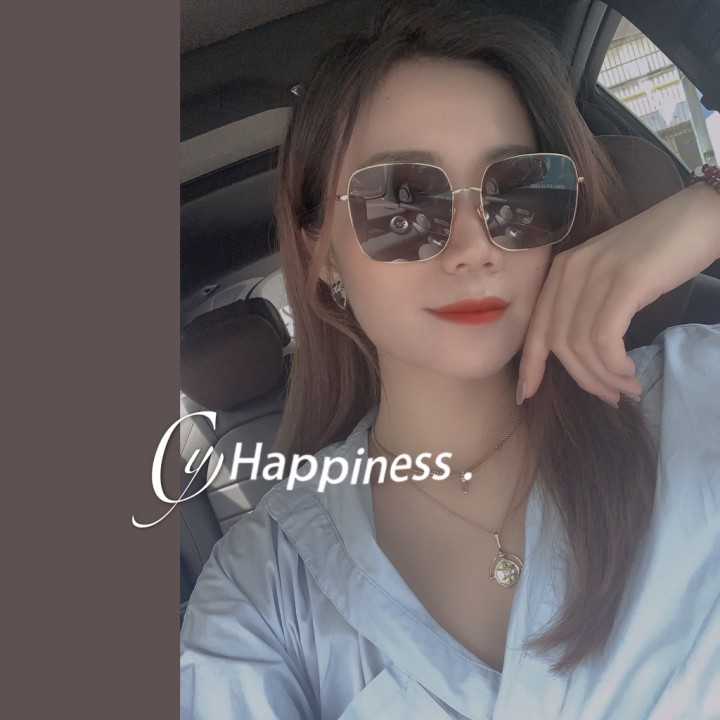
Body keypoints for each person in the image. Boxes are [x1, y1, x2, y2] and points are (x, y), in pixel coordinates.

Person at [180, 4, 720, 718]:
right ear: (323, 256)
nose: (473, 247)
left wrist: (709, 211)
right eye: (402, 203)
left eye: (520, 190)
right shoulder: (261, 594)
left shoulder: (695, 395)